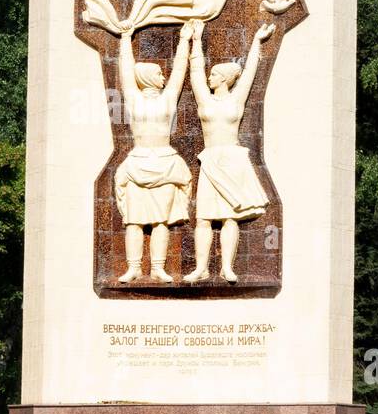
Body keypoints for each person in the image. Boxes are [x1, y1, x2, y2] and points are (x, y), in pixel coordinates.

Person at [184, 18, 275, 283]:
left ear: (224, 78)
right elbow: (195, 72)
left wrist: (257, 41)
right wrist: (196, 40)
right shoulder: (205, 98)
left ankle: (227, 267)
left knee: (229, 217)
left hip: (233, 160)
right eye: (210, 74)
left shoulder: (237, 98)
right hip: (210, 160)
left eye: (214, 74)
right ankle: (201, 268)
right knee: (203, 217)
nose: (209, 77)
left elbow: (248, 74)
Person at [114, 21, 192, 283]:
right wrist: (125, 39)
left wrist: (184, 40)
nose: (164, 76)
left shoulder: (168, 98)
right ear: (148, 77)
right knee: (134, 221)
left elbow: (180, 71)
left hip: (165, 163)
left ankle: (158, 267)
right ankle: (134, 267)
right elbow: (126, 72)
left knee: (161, 221)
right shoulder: (134, 98)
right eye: (160, 73)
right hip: (138, 163)